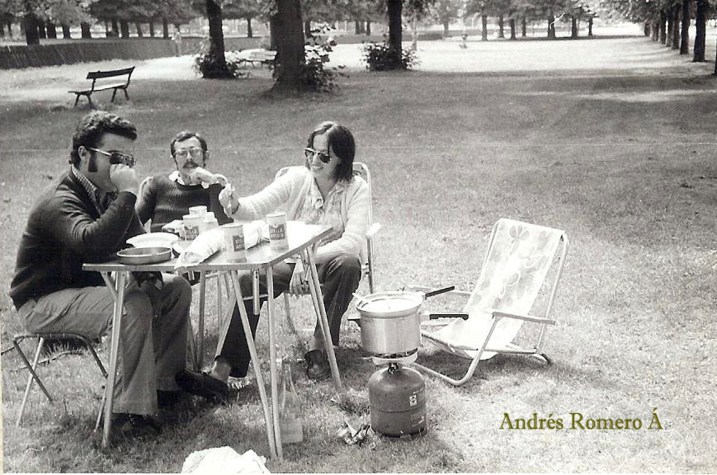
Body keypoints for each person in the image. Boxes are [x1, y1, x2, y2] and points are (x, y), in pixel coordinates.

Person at [8, 111, 207, 440]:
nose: (122, 168)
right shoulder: (59, 199)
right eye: (114, 157)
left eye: (127, 159)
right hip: (41, 301)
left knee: (175, 288)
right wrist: (128, 194)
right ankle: (125, 414)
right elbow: (91, 242)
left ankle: (165, 387)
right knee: (130, 306)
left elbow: (137, 239)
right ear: (84, 154)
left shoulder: (107, 191)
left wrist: (153, 271)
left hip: (88, 290)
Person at [175, 121, 369, 399]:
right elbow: (256, 206)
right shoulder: (297, 178)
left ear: (342, 158)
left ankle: (319, 346)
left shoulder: (356, 188)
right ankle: (220, 373)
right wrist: (234, 204)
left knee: (349, 264)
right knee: (247, 279)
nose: (314, 161)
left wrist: (306, 259)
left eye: (324, 156)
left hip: (331, 261)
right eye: (310, 152)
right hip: (290, 260)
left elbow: (352, 242)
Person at [136, 130, 231, 232]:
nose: (189, 158)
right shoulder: (159, 184)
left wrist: (213, 182)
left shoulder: (215, 187)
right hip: (162, 241)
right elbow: (133, 223)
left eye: (194, 152)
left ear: (206, 156)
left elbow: (224, 229)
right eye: (182, 153)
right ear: (174, 159)